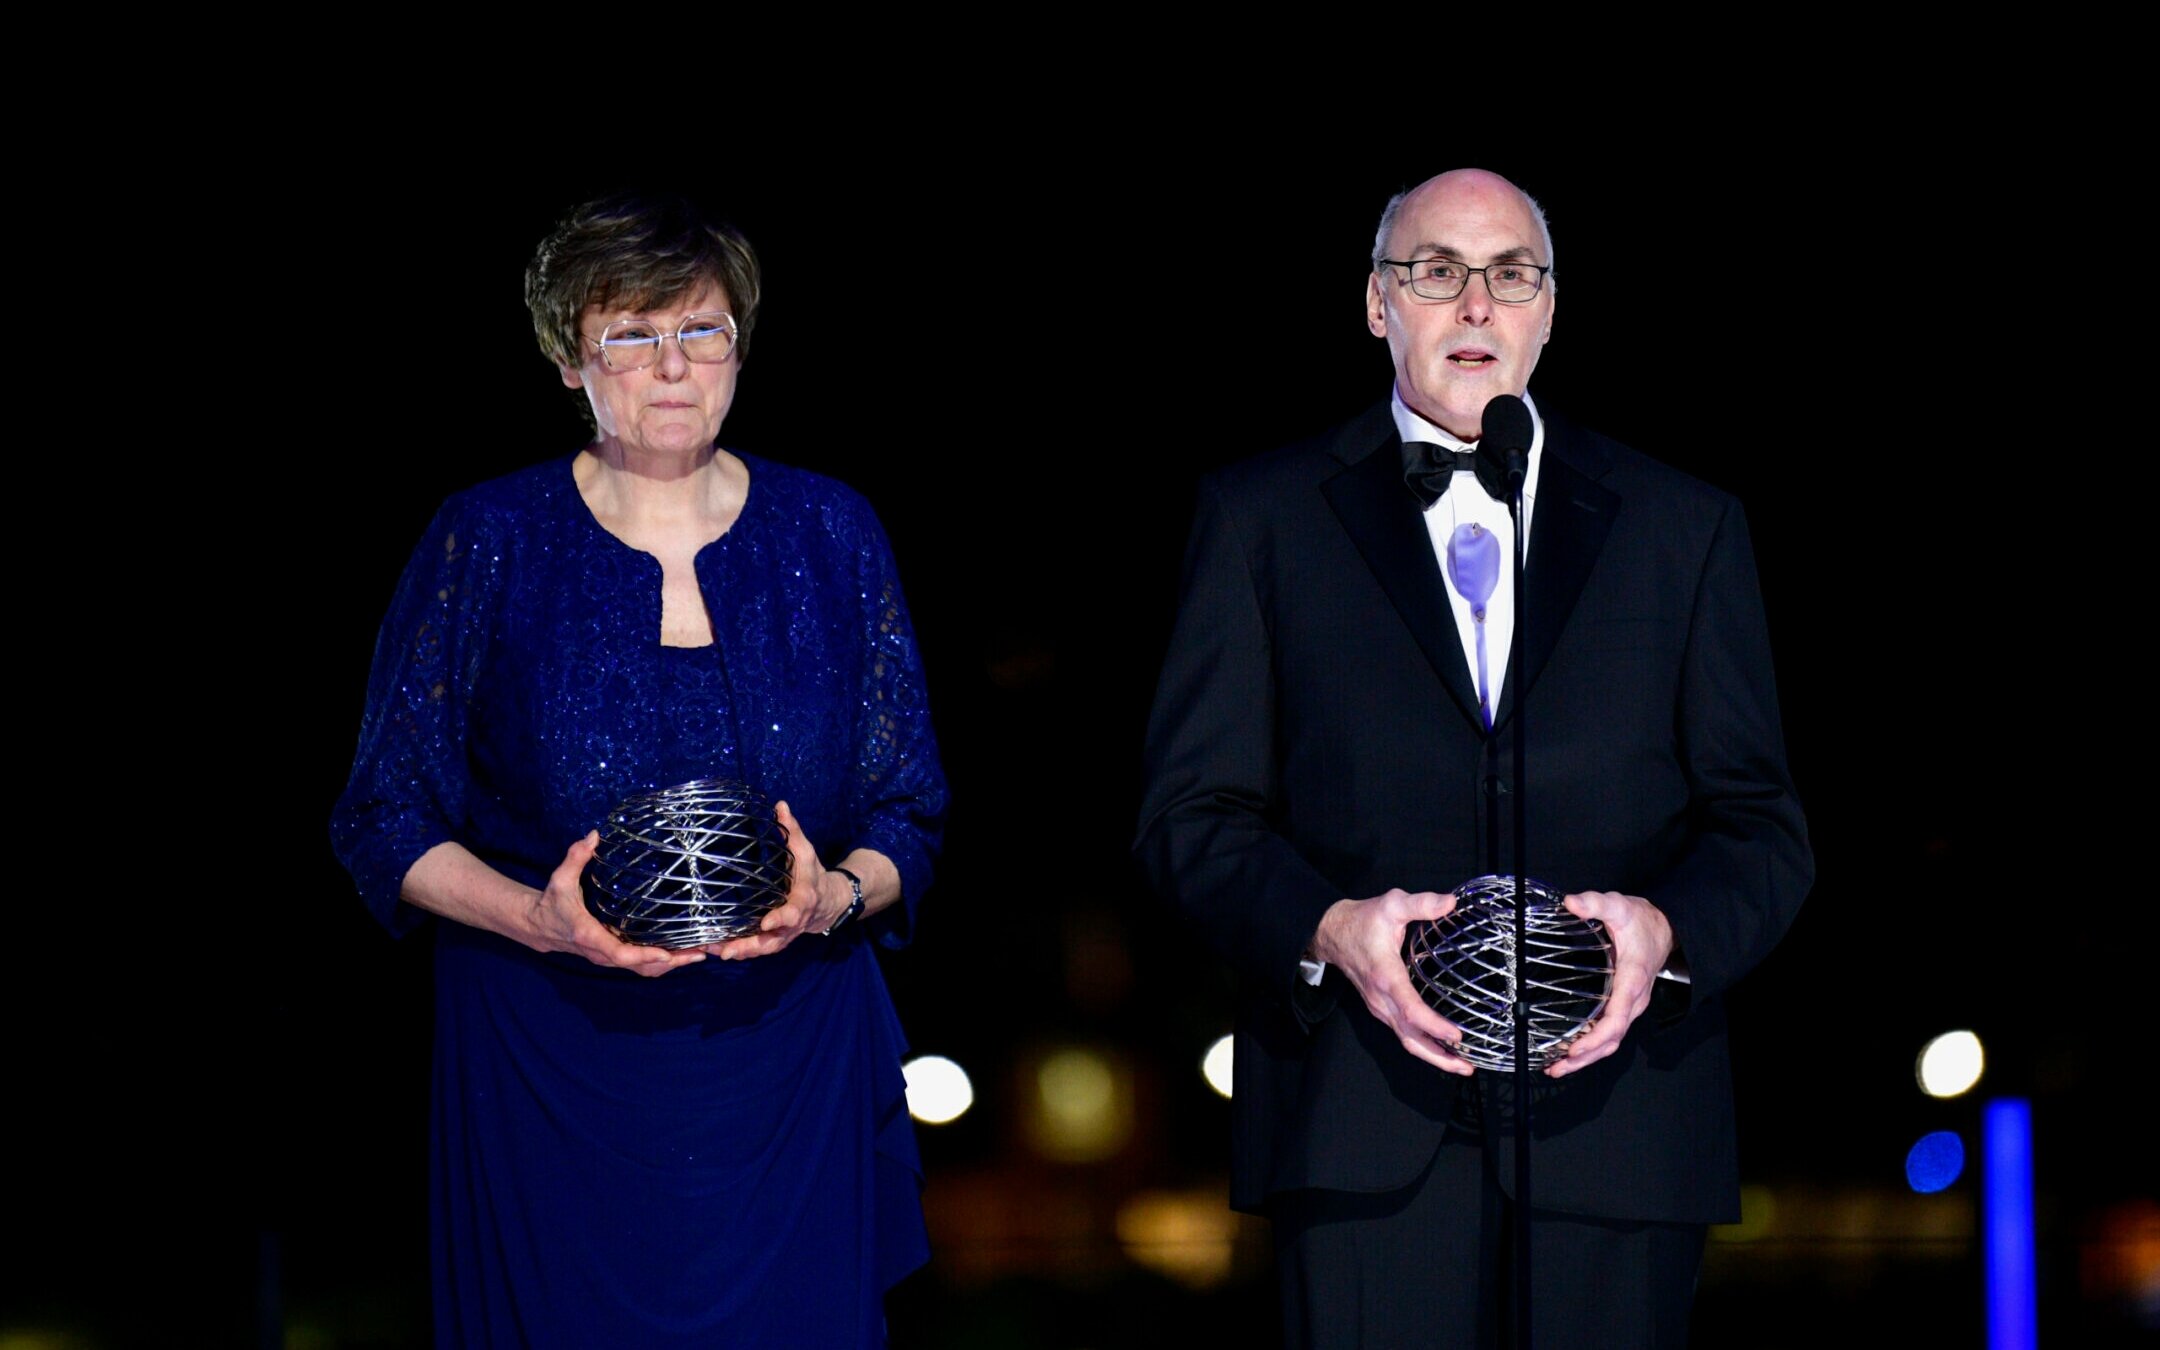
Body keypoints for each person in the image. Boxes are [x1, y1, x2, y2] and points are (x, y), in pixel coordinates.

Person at [1133, 168, 1812, 1348]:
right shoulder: (1262, 518)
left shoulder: (1683, 525)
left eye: (1511, 276)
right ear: (1375, 304)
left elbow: (1763, 828)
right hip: (1360, 1126)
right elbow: (1191, 817)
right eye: (1437, 273)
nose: (1477, 306)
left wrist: (1671, 934)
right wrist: (1326, 925)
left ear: (1551, 310)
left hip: (1624, 1133)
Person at [330, 190, 947, 1348]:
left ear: (740, 346)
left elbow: (909, 808)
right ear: (570, 359)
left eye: (701, 331)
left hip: (789, 1061)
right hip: (546, 1053)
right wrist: (536, 919)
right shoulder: (489, 535)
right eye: (631, 335)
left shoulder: (832, 530)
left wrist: (836, 897)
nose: (673, 367)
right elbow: (381, 813)